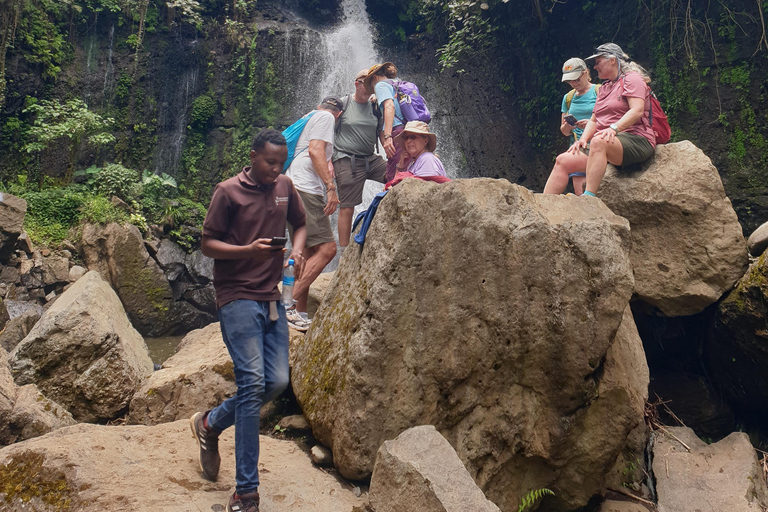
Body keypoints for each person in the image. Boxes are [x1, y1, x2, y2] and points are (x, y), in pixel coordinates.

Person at [191, 129, 307, 512]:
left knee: (275, 381)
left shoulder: (286, 186)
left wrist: (299, 252)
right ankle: (246, 493)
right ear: (254, 156)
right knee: (253, 380)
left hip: (271, 296)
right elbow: (208, 244)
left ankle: (209, 424)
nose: (277, 169)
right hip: (236, 295)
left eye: (282, 162)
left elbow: (301, 225)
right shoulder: (228, 192)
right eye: (270, 162)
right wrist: (248, 252)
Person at [543, 43, 656, 197]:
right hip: (607, 144)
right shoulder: (604, 87)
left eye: (598, 62)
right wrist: (582, 140)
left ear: (612, 60)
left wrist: (613, 128)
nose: (595, 67)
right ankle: (544, 207)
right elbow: (594, 121)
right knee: (563, 160)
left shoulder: (632, 79)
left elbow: (637, 110)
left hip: (636, 139)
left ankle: (588, 198)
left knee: (598, 140)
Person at [284, 96, 343, 330]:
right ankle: (285, 305)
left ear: (320, 105)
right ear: (339, 115)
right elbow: (315, 151)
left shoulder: (309, 116)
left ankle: (300, 313)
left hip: (292, 186)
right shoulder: (327, 118)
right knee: (328, 249)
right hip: (306, 188)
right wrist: (330, 187)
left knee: (306, 255)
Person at [334, 68, 388, 255]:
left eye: (371, 86)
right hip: (346, 159)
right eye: (365, 85)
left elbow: (382, 133)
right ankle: (344, 253)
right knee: (347, 206)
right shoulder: (343, 103)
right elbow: (325, 129)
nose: (368, 89)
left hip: (370, 159)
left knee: (397, 177)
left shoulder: (375, 106)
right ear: (356, 84)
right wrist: (327, 161)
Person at [559, 57, 599, 195]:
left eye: (576, 79)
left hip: (598, 143)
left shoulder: (599, 91)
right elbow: (564, 131)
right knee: (580, 190)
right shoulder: (568, 98)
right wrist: (568, 126)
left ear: (585, 73)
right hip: (578, 145)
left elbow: (611, 118)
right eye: (570, 81)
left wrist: (591, 124)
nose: (573, 83)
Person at [363, 62, 406, 182]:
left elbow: (390, 106)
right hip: (408, 130)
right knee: (405, 169)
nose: (373, 89)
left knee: (393, 176)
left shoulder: (380, 85)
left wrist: (387, 136)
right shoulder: (395, 84)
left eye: (371, 84)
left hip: (397, 131)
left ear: (375, 77)